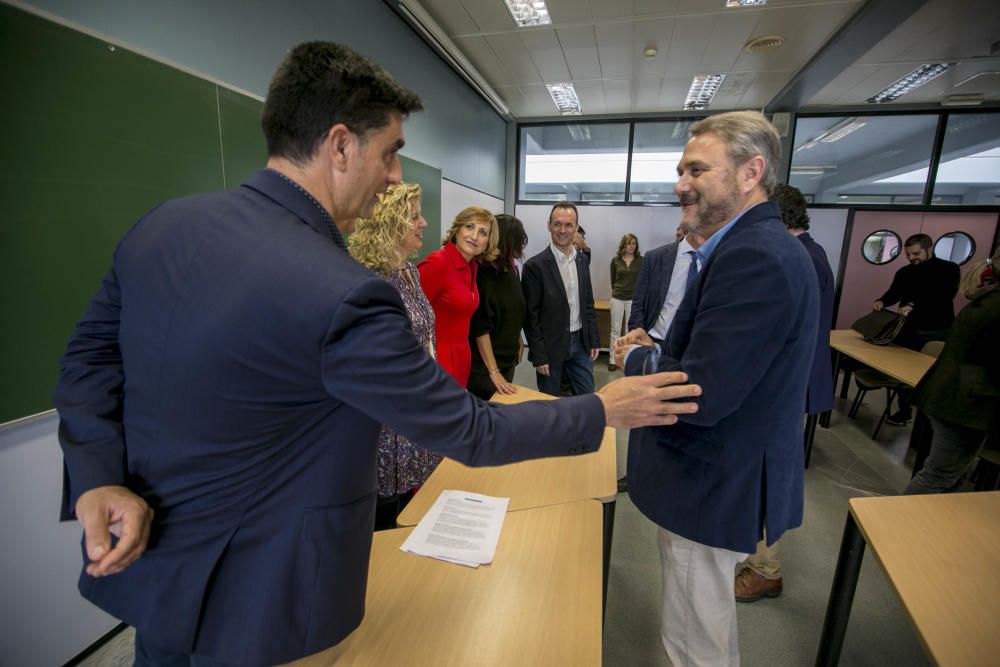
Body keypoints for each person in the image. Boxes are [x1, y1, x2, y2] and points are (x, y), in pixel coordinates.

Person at [54, 41, 702, 667]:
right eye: (391, 153)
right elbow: (470, 430)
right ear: (340, 145)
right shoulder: (341, 291)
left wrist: (98, 476)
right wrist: (602, 409)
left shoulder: (161, 227)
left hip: (157, 577)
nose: (394, 175)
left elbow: (88, 360)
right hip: (261, 604)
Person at [614, 111, 818, 667]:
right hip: (717, 475)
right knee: (706, 623)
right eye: (681, 169)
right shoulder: (749, 247)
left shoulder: (753, 256)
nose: (681, 183)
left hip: (709, 479)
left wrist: (638, 360)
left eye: (697, 169)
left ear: (751, 172)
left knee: (690, 637)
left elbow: (700, 392)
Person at [734, 184, 835, 603]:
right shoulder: (813, 253)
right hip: (786, 386)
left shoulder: (795, 258)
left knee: (767, 477)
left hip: (782, 390)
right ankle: (758, 557)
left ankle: (766, 568)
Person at [349, 182, 440, 529]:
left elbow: (425, 340)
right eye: (414, 216)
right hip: (384, 422)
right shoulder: (369, 280)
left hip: (415, 410)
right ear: (389, 222)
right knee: (382, 515)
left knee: (407, 509)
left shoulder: (410, 272)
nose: (424, 223)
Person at [616, 227, 705, 493]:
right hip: (654, 344)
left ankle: (674, 475)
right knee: (643, 414)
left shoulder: (720, 260)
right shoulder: (658, 258)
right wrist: (637, 335)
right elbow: (639, 303)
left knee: (683, 414)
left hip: (694, 352)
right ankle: (635, 474)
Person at [904, 251, 999, 495]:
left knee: (950, 477)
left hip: (953, 396)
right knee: (939, 476)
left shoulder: (988, 294)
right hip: (964, 404)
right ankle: (884, 530)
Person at [872, 232, 960, 425]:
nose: (912, 258)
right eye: (908, 254)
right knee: (902, 373)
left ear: (929, 249)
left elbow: (944, 296)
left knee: (929, 376)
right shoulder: (905, 272)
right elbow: (894, 293)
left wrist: (915, 306)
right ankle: (904, 411)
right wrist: (882, 301)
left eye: (916, 253)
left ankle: (926, 421)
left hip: (937, 330)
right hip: (908, 329)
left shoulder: (948, 269)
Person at [522, 201, 600, 396]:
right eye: (557, 224)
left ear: (576, 227)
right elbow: (530, 317)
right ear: (549, 225)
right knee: (550, 401)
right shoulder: (535, 266)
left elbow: (588, 303)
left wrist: (594, 339)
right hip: (550, 347)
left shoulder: (582, 261)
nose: (562, 230)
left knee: (587, 397)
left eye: (568, 225)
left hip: (580, 343)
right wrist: (539, 356)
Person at [418, 207, 498, 388]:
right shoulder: (438, 263)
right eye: (469, 227)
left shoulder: (471, 267)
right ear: (457, 229)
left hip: (461, 358)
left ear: (488, 243)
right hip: (437, 362)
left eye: (483, 232)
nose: (475, 236)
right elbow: (406, 313)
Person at [467, 214, 528, 401]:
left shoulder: (511, 270)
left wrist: (517, 338)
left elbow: (513, 310)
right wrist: (493, 371)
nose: (523, 243)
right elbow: (481, 328)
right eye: (519, 239)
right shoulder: (484, 275)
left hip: (507, 360)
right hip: (485, 368)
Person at [608, 233, 643, 371]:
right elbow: (613, 280)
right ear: (624, 245)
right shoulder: (615, 260)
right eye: (629, 243)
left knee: (630, 332)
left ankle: (627, 359)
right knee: (615, 330)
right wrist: (618, 291)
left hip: (633, 300)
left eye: (634, 243)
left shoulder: (641, 260)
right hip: (617, 298)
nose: (631, 246)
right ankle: (612, 359)